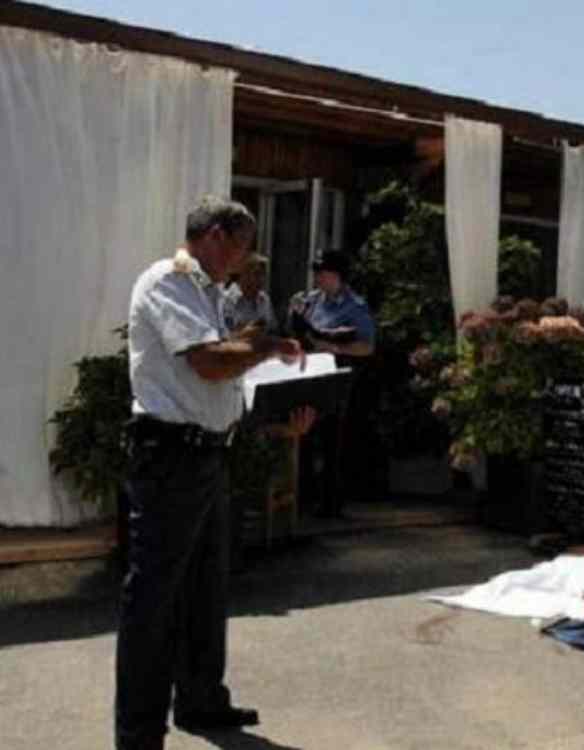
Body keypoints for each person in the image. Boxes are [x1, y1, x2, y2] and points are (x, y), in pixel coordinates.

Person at [118, 196, 316, 750]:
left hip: (205, 454)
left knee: (205, 589)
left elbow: (225, 387)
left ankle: (201, 699)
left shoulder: (208, 293)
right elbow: (209, 364)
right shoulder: (168, 282)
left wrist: (279, 424)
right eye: (241, 246)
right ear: (213, 237)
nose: (244, 260)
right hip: (169, 456)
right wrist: (266, 346)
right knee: (155, 600)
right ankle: (138, 735)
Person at [288, 250, 377, 518]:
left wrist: (335, 347)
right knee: (303, 431)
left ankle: (330, 501)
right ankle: (303, 497)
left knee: (332, 438)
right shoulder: (312, 300)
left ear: (337, 276)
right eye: (315, 272)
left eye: (322, 273)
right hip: (308, 372)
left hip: (336, 374)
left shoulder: (354, 306)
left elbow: (367, 346)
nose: (317, 277)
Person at [222, 253, 276, 334]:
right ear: (244, 274)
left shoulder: (264, 299)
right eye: (257, 274)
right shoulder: (226, 299)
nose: (262, 279)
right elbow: (223, 334)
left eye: (263, 274)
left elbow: (272, 329)